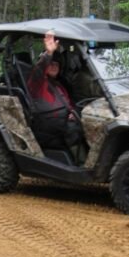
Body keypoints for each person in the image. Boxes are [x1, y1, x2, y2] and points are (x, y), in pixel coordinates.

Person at [26, 31, 86, 164]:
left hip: (62, 124)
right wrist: (48, 54)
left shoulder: (60, 84)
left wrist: (73, 112)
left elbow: (70, 103)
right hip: (47, 127)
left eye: (56, 64)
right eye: (50, 64)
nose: (53, 67)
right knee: (74, 130)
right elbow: (39, 70)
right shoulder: (37, 82)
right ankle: (82, 164)